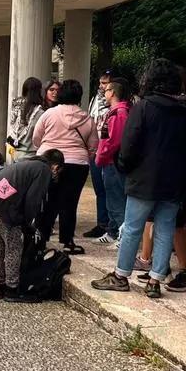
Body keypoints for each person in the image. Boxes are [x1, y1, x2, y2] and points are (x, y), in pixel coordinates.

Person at [92, 59, 186, 299]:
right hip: (174, 180)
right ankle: (155, 280)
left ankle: (121, 275)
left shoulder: (144, 107)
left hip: (144, 178)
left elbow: (129, 144)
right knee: (165, 228)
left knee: (132, 227)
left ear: (149, 79)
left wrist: (125, 166)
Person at [0, 150, 64, 301]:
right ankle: (12, 290)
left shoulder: (27, 163)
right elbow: (33, 200)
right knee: (14, 247)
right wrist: (26, 223)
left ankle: (0, 287)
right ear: (55, 167)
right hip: (3, 208)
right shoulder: (44, 170)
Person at [32, 79, 99, 254]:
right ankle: (68, 241)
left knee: (47, 201)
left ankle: (40, 239)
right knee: (70, 203)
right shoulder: (88, 119)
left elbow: (36, 138)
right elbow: (93, 146)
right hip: (77, 164)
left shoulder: (49, 114)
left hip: (50, 161)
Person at [94, 79, 131, 243]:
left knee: (116, 199)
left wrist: (100, 156)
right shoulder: (118, 112)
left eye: (107, 89)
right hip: (110, 161)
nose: (104, 92)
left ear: (113, 92)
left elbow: (112, 141)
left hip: (112, 162)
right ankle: (113, 231)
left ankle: (122, 236)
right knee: (112, 198)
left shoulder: (118, 113)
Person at [84, 72, 114, 240]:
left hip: (108, 151)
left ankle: (112, 225)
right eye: (101, 82)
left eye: (106, 83)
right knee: (99, 189)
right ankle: (102, 223)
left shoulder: (119, 103)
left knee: (110, 189)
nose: (102, 86)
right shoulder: (95, 99)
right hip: (95, 149)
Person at [7, 77, 46, 161]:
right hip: (30, 154)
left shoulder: (16, 104)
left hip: (14, 151)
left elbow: (12, 125)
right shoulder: (39, 112)